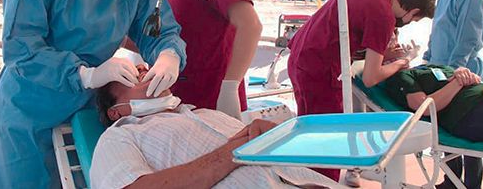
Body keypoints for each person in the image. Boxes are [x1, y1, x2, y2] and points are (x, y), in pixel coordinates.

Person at [0, 0, 187, 188]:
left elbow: (158, 28)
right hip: (29, 107)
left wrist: (169, 53)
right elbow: (21, 47)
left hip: (85, 112)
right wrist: (86, 74)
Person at [91, 65, 344, 189]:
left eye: (146, 69)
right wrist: (233, 152)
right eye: (136, 77)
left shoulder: (206, 114)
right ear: (117, 110)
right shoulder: (120, 136)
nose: (148, 73)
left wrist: (275, 137)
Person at [287, 0, 435, 181]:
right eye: (414, 20)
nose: (408, 22)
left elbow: (344, 31)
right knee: (327, 141)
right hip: (320, 71)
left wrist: (383, 52)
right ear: (413, 12)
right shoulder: (384, 17)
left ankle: (305, 180)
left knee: (309, 134)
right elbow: (371, 77)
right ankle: (322, 183)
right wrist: (402, 61)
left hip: (301, 58)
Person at [423, 0, 483, 188]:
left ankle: (472, 184)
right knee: (448, 131)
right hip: (443, 71)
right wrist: (428, 60)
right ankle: (451, 181)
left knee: (468, 133)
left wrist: (454, 71)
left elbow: (469, 37)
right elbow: (439, 30)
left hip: (462, 74)